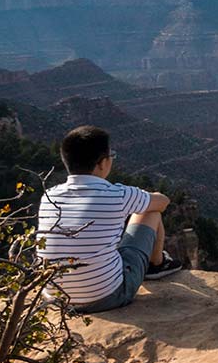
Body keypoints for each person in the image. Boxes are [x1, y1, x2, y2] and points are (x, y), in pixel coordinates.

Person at [37, 125, 183, 313]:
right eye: (110, 156)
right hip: (107, 297)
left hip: (56, 299)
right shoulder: (117, 194)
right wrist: (145, 196)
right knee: (150, 210)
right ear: (102, 163)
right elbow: (163, 202)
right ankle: (157, 265)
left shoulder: (49, 196)